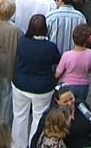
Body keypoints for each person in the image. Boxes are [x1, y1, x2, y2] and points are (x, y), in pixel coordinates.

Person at [11, 14, 60, 147]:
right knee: (39, 117)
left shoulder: (22, 41)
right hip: (42, 87)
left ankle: (18, 145)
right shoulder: (50, 47)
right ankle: (34, 144)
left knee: (19, 115)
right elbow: (56, 60)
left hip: (21, 84)